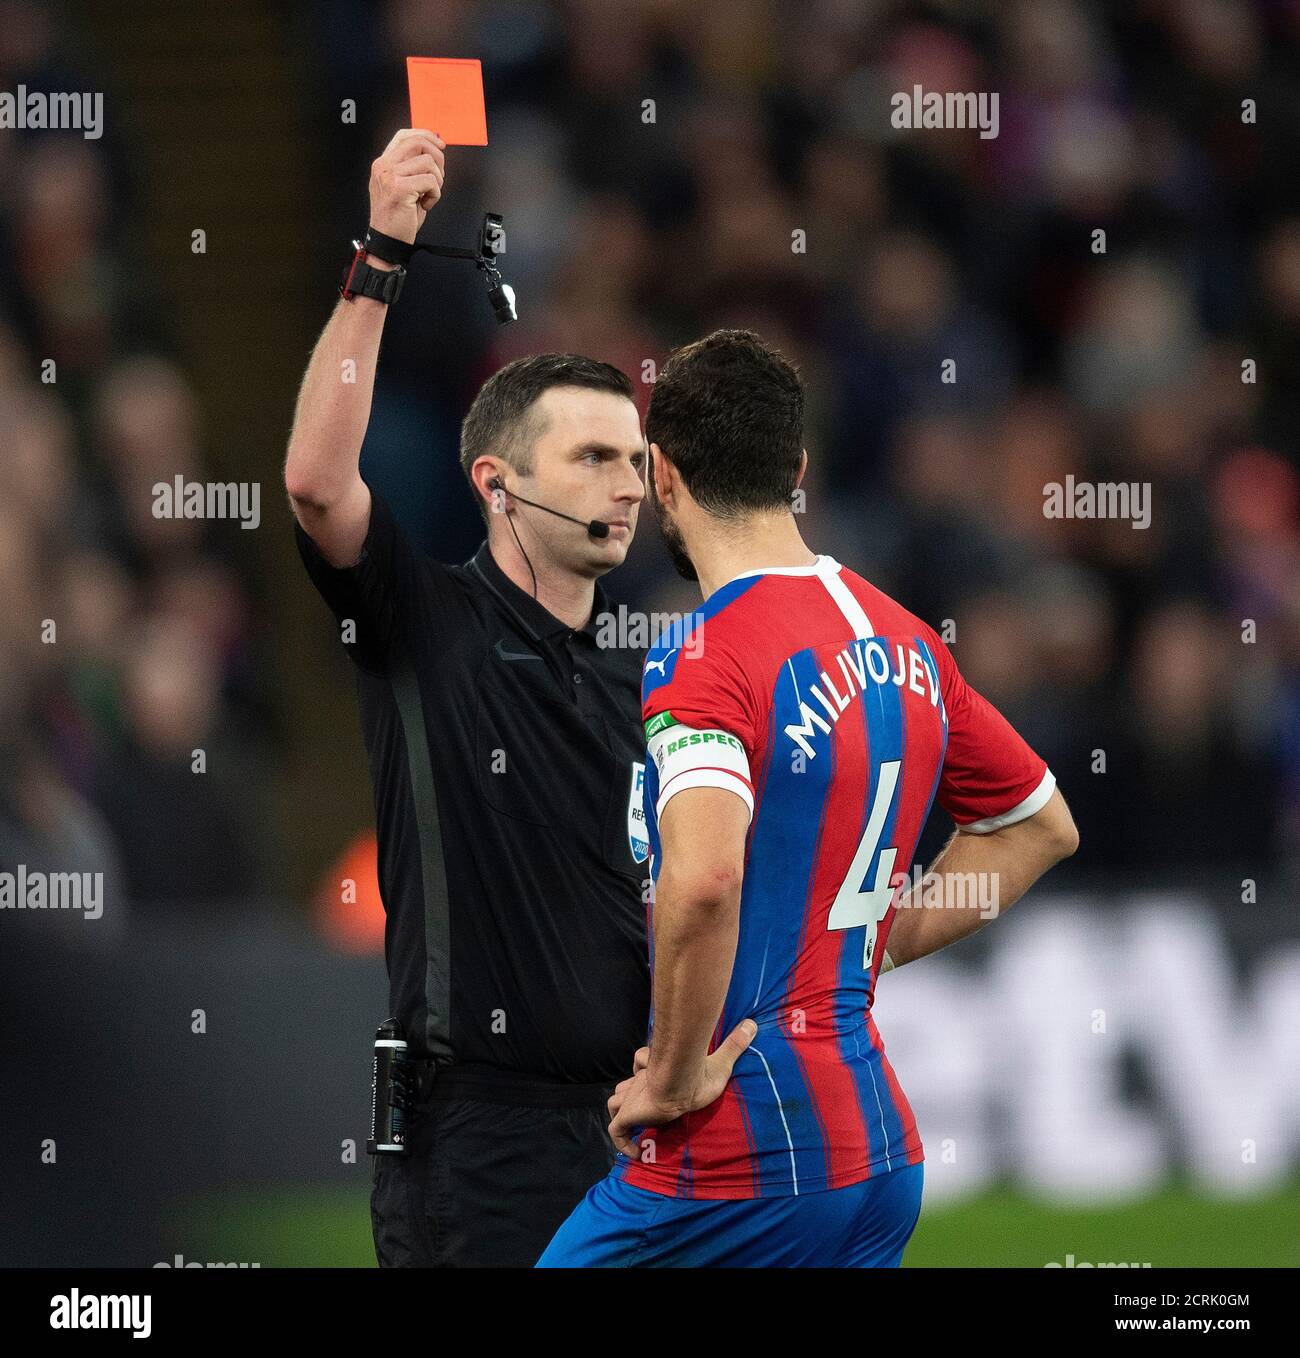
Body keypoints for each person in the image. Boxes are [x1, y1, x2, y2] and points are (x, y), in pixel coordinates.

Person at [538, 329, 1079, 1267]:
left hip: (737, 1156)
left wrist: (668, 1080)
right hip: (877, 1156)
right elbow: (1041, 827)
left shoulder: (703, 655)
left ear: (662, 475)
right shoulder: (907, 637)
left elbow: (705, 879)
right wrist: (874, 932)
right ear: (797, 468)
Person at [284, 128, 650, 1267]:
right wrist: (383, 251)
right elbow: (313, 482)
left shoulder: (640, 679)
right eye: (592, 456)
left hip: (630, 1136)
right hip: (474, 1145)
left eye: (635, 459)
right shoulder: (422, 623)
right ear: (496, 481)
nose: (627, 482)